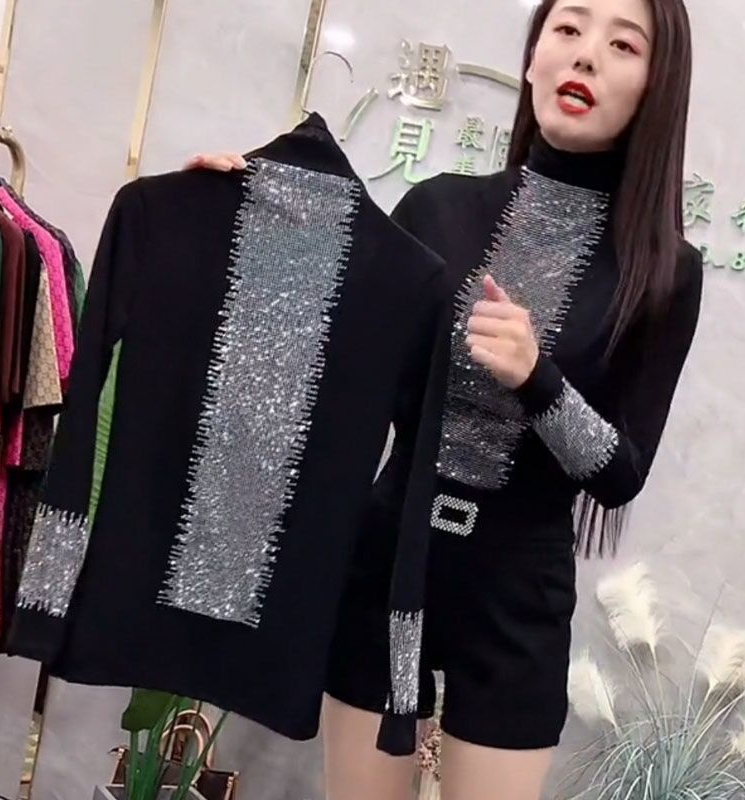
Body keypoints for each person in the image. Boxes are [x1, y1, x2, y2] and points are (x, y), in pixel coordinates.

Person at [184, 0, 701, 797]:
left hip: (517, 598)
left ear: (656, 86)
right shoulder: (437, 207)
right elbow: (328, 364)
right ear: (533, 56)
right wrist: (237, 222)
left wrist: (537, 378)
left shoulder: (664, 270)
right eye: (568, 29)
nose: (586, 55)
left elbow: (619, 473)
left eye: (623, 44)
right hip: (389, 567)